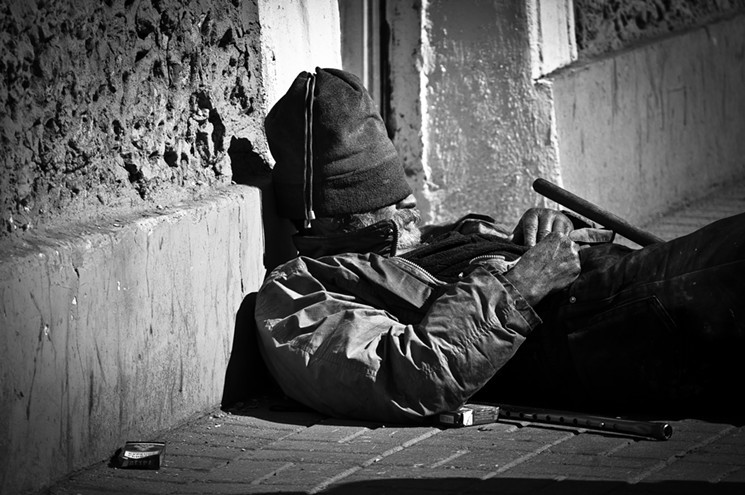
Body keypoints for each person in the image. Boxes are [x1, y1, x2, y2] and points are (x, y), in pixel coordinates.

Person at [254, 67, 745, 423]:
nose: (410, 207)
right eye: (385, 202)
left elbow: (523, 261)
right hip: (593, 321)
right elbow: (411, 375)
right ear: (328, 219)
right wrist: (521, 285)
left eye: (403, 194)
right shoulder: (299, 294)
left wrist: (551, 229)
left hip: (622, 278)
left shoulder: (423, 239)